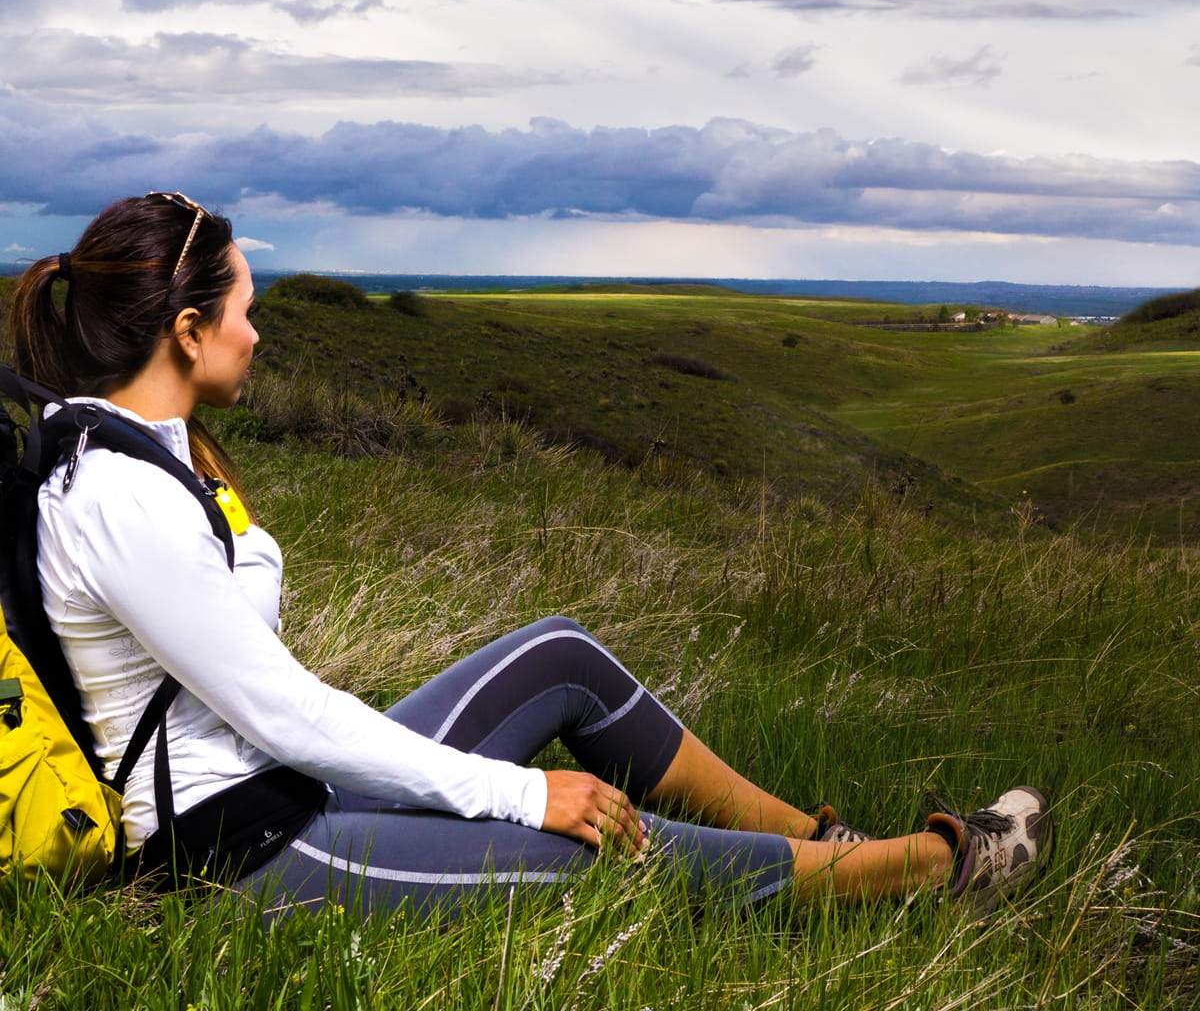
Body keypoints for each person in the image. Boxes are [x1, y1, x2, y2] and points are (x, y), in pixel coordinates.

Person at [8, 193, 1050, 917]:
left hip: (287, 791)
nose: (258, 334)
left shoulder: (151, 453)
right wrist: (521, 792)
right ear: (189, 331)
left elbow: (256, 674)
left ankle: (828, 843)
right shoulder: (120, 497)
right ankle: (929, 871)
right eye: (246, 312)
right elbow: (281, 710)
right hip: (234, 855)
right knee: (575, 845)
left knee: (559, 654)